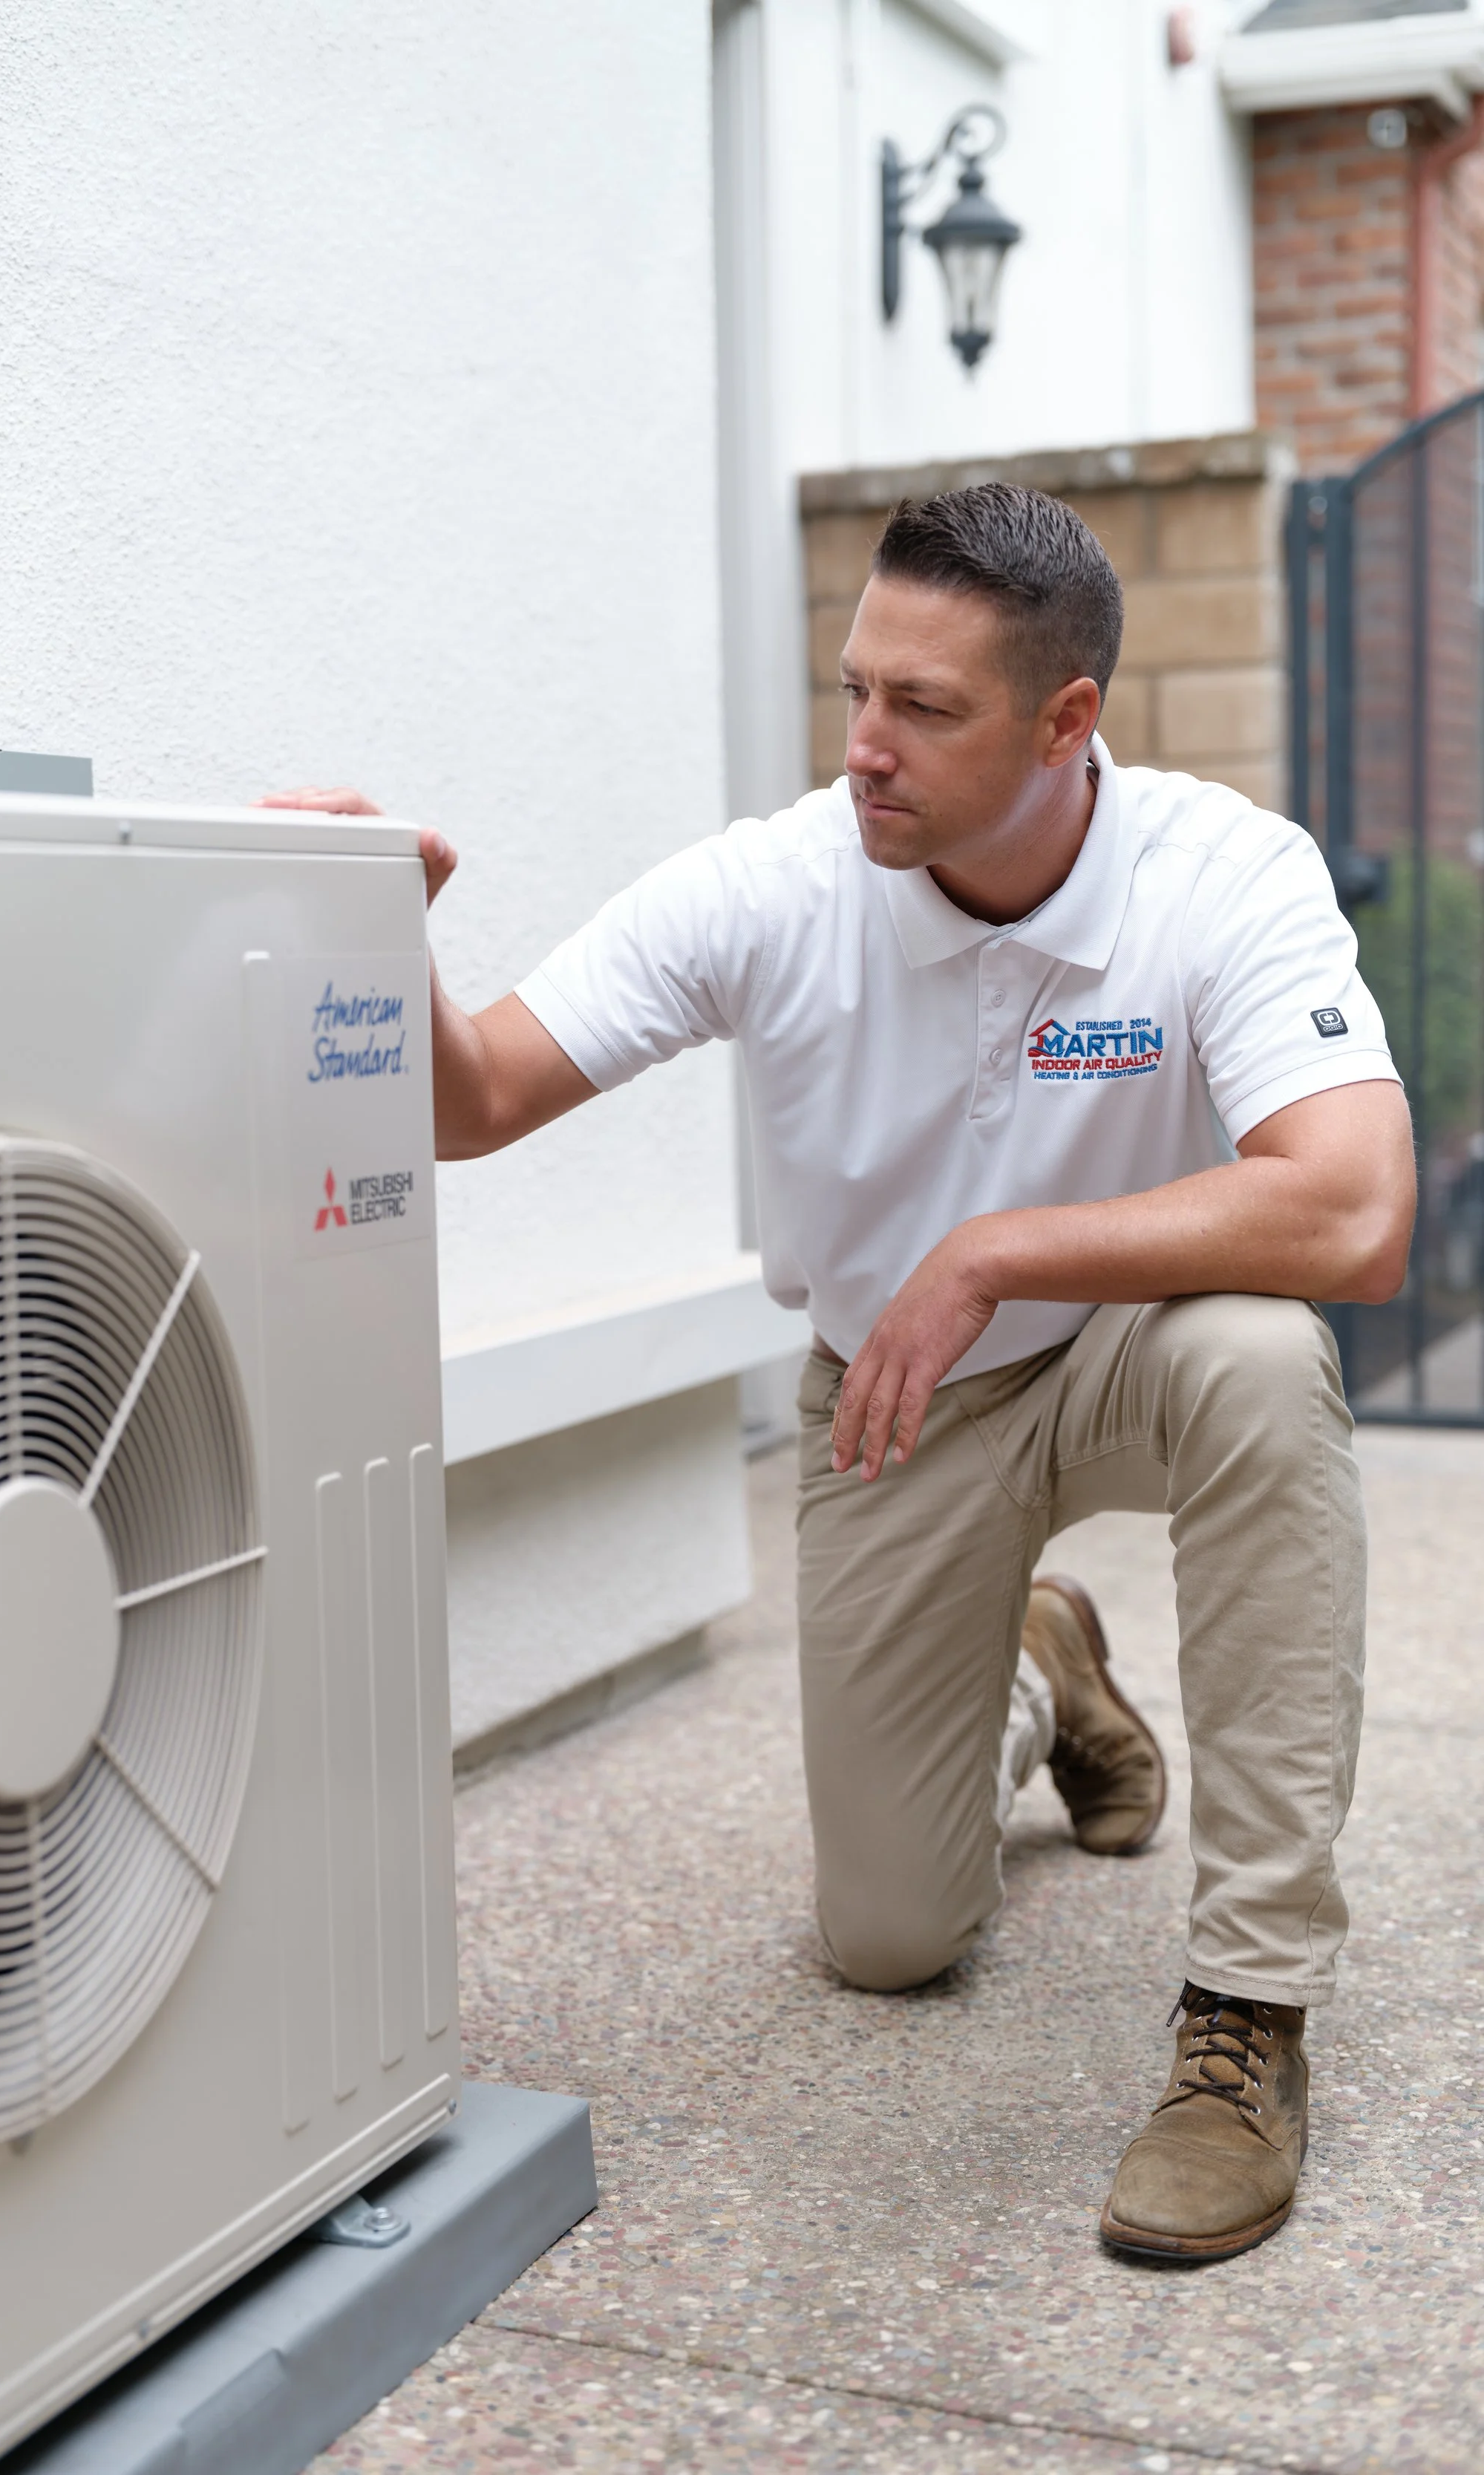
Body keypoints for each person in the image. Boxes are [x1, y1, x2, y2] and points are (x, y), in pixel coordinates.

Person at [267, 481, 1416, 2264]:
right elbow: (472, 1099)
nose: (862, 749)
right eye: (853, 689)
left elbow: (1350, 1212)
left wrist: (996, 1249)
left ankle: (1245, 2018)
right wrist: (374, 932)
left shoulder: (1218, 874)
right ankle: (1044, 1668)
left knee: (1266, 1359)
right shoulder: (777, 886)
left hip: (1125, 1352)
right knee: (887, 1939)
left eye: (922, 709)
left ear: (1066, 720)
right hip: (894, 1396)